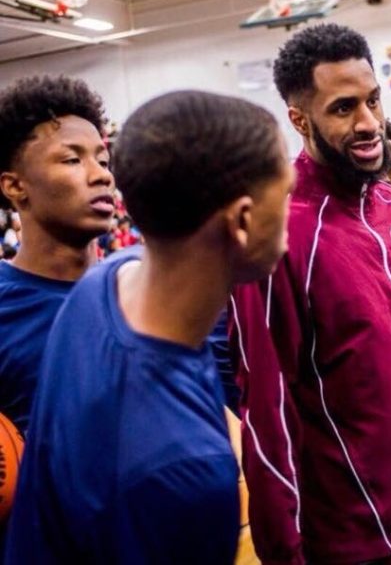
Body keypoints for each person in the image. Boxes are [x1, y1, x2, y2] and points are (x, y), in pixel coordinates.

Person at [4, 90, 295, 564]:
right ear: (242, 221)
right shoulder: (184, 474)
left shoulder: (105, 285)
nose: (290, 215)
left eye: (102, 159)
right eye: (284, 196)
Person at [229, 23, 391, 564]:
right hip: (353, 534)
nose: (369, 123)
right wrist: (282, 549)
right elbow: (266, 413)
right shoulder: (277, 235)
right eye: (343, 109)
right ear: (299, 119)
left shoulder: (388, 202)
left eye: (373, 101)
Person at [0, 76, 115, 437]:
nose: (101, 176)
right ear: (16, 186)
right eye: (72, 159)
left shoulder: (145, 294)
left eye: (103, 159)